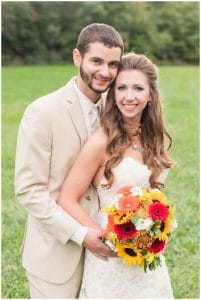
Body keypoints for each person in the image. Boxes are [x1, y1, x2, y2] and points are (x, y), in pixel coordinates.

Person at [14, 23, 124, 298]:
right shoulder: (43, 111)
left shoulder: (117, 110)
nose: (105, 72)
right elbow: (29, 190)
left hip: (105, 258)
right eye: (96, 61)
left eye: (113, 64)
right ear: (77, 57)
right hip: (56, 255)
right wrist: (79, 233)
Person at [57, 52, 176, 298]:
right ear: (113, 94)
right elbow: (67, 197)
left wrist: (156, 225)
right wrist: (105, 238)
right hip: (109, 258)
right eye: (121, 88)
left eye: (138, 88)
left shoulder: (153, 140)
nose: (129, 97)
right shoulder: (101, 141)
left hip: (147, 255)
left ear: (151, 94)